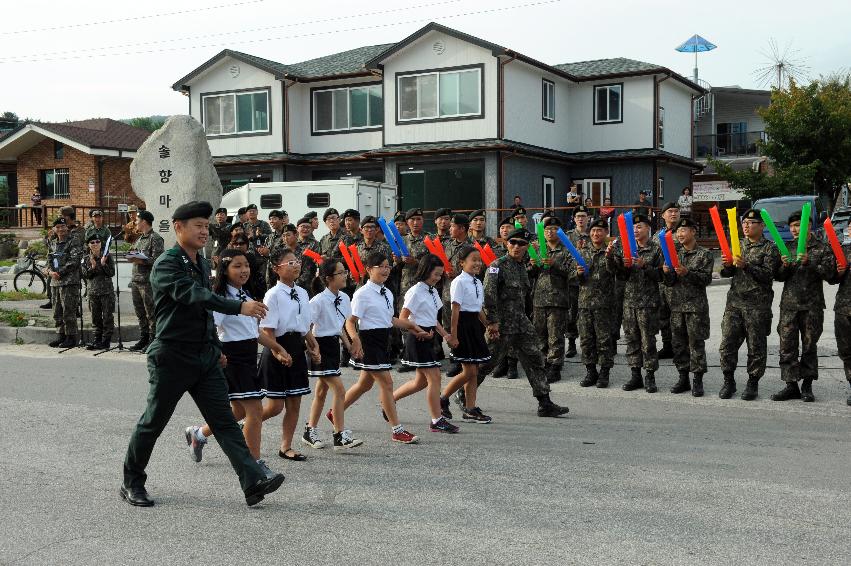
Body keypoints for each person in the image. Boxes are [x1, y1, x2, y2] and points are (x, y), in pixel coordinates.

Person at [122, 201, 284, 508]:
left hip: (204, 357)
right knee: (153, 422)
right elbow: (194, 295)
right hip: (172, 355)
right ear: (178, 227)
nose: (204, 231)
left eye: (206, 226)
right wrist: (238, 306)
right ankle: (132, 482)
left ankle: (252, 481)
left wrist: (215, 347)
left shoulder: (199, 261)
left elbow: (203, 313)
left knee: (223, 421)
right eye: (198, 226)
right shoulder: (167, 263)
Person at [184, 248, 290, 478]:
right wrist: (216, 353)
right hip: (231, 358)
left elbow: (253, 332)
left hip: (248, 355)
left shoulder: (246, 296)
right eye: (237, 266)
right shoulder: (221, 298)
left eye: (247, 266)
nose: (244, 270)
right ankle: (254, 464)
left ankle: (199, 434)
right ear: (225, 269)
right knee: (254, 410)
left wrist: (277, 347)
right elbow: (211, 328)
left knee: (239, 411)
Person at [335, 251, 427, 444]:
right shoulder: (362, 293)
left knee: (364, 385)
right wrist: (355, 341)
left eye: (388, 266)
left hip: (382, 340)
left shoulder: (386, 291)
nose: (386, 270)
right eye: (381, 266)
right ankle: (397, 429)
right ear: (369, 269)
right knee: (387, 384)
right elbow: (350, 322)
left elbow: (390, 320)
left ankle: (335, 412)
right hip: (368, 342)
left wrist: (412, 327)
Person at [481, 228, 570, 417]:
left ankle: (544, 402)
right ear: (506, 244)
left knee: (535, 359)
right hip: (502, 325)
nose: (516, 246)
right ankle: (462, 395)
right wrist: (492, 322)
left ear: (527, 247)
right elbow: (488, 296)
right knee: (487, 363)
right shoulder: (497, 266)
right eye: (512, 242)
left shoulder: (522, 267)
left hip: (521, 323)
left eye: (521, 244)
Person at [255, 247, 321, 462]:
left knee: (295, 402)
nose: (296, 265)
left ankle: (286, 447)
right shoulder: (273, 294)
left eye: (297, 261)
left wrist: (313, 345)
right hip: (277, 346)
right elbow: (268, 330)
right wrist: (277, 351)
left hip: (296, 347)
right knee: (275, 406)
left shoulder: (302, 292)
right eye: (290, 262)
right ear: (277, 269)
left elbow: (304, 326)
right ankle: (248, 426)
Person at [391, 254, 459, 433]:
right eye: (435, 274)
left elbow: (433, 319)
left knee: (420, 382)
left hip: (429, 337)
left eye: (440, 275)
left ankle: (389, 401)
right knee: (435, 377)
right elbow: (403, 318)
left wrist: (445, 335)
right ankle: (437, 420)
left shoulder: (432, 290)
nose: (438, 278)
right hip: (418, 338)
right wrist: (417, 331)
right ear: (425, 271)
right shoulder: (415, 291)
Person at [718, 209, 781, 401]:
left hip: (757, 306)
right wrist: (727, 266)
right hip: (735, 304)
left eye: (751, 223)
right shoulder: (738, 244)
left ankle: (752, 383)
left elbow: (768, 275)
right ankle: (729, 381)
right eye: (744, 222)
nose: (746, 226)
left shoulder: (770, 248)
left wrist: (747, 265)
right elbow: (725, 273)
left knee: (756, 347)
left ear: (762, 226)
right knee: (727, 344)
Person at [771, 212, 834, 403]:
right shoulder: (786, 247)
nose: (794, 229)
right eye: (791, 226)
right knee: (787, 346)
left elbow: (831, 275)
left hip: (811, 306)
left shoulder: (821, 248)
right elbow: (779, 276)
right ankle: (791, 385)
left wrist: (810, 262)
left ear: (809, 226)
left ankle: (807, 386)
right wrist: (784, 266)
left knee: (809, 347)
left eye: (798, 225)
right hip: (789, 306)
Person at [302, 261, 364, 450]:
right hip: (320, 345)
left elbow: (341, 327)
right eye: (340, 273)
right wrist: (313, 349)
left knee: (321, 392)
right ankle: (339, 434)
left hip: (333, 346)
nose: (345, 275)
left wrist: (350, 345)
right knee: (339, 390)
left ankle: (309, 430)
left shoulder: (345, 297)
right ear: (328, 278)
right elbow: (306, 328)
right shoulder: (318, 301)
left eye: (345, 271)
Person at [439, 245, 492, 422]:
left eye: (479, 260)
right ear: (462, 263)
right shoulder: (459, 282)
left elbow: (478, 309)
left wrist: (488, 325)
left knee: (474, 371)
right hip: (462, 326)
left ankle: (470, 408)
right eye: (473, 260)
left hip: (475, 326)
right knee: (468, 371)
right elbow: (455, 310)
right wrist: (453, 335)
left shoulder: (477, 282)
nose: (477, 263)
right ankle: (443, 398)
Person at [612, 214, 664, 393]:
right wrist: (619, 262)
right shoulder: (625, 248)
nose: (636, 230)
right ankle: (635, 375)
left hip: (648, 303)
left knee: (648, 341)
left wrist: (645, 266)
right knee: (632, 340)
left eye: (640, 226)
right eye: (633, 227)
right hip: (629, 302)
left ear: (648, 228)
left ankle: (650, 376)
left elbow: (663, 276)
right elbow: (619, 275)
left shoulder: (656, 249)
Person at [662, 218, 713, 396]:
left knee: (696, 344)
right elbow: (669, 283)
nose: (680, 234)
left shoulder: (704, 254)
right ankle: (683, 378)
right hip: (676, 307)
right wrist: (666, 273)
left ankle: (697, 380)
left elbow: (706, 279)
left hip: (695, 308)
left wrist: (687, 273)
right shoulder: (674, 253)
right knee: (679, 345)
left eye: (684, 230)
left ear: (693, 231)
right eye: (678, 232)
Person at [574, 219, 619, 388]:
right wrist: (578, 273)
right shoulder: (582, 252)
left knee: (604, 340)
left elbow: (618, 272)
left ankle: (604, 372)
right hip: (585, 304)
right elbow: (573, 277)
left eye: (600, 230)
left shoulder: (612, 251)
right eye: (593, 231)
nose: (596, 234)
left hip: (604, 305)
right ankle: (590, 371)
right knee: (586, 340)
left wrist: (610, 258)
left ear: (606, 232)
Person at [530, 217, 572, 383]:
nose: (550, 232)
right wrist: (533, 264)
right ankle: (543, 362)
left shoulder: (566, 250)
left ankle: (555, 366)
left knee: (555, 335)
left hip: (558, 299)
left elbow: (572, 273)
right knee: (540, 334)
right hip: (539, 299)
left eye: (554, 229)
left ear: (560, 231)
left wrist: (555, 264)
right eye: (547, 229)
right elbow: (530, 273)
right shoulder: (539, 249)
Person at [128, 210, 165, 353]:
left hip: (147, 282)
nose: (135, 223)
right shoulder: (139, 238)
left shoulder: (155, 238)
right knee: (140, 312)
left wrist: (142, 260)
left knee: (151, 313)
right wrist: (131, 256)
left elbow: (158, 260)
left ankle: (153, 340)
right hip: (136, 280)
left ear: (144, 221)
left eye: (137, 220)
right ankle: (143, 338)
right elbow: (133, 253)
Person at [47, 217, 83, 348]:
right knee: (57, 311)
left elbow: (74, 260)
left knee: (69, 311)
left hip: (69, 282)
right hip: (55, 282)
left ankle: (71, 338)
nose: (61, 229)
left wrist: (60, 272)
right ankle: (61, 336)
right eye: (58, 227)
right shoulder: (52, 242)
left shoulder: (74, 241)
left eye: (63, 226)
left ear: (67, 227)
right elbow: (49, 260)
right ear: (54, 229)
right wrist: (50, 272)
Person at [81, 232, 116, 350]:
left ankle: (106, 340)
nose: (95, 244)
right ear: (88, 245)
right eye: (92, 242)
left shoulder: (107, 256)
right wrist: (93, 267)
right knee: (95, 317)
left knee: (107, 316)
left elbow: (111, 273)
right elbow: (85, 275)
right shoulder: (86, 258)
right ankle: (97, 339)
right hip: (93, 292)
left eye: (97, 242)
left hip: (106, 292)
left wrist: (103, 264)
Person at [655, 202, 681, 359]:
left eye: (676, 211)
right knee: (663, 316)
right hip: (662, 283)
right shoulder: (658, 235)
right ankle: (667, 346)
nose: (673, 214)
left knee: (678, 317)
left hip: (679, 283)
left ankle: (680, 347)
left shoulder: (683, 232)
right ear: (663, 215)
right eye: (670, 211)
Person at [828, 224, 851, 406]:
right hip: (844, 309)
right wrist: (838, 273)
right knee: (847, 351)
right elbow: (832, 279)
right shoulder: (842, 250)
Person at [565, 205, 591, 358]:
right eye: (578, 216)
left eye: (583, 216)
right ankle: (572, 343)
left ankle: (588, 344)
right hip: (573, 281)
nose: (581, 219)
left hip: (590, 282)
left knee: (587, 313)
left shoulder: (593, 235)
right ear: (574, 219)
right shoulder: (567, 237)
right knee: (572, 313)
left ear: (588, 218)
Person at [295, 217, 322, 295]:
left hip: (308, 284)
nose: (306, 229)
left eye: (308, 227)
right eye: (303, 227)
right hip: (292, 281)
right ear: (297, 228)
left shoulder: (315, 244)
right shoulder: (293, 242)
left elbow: (318, 262)